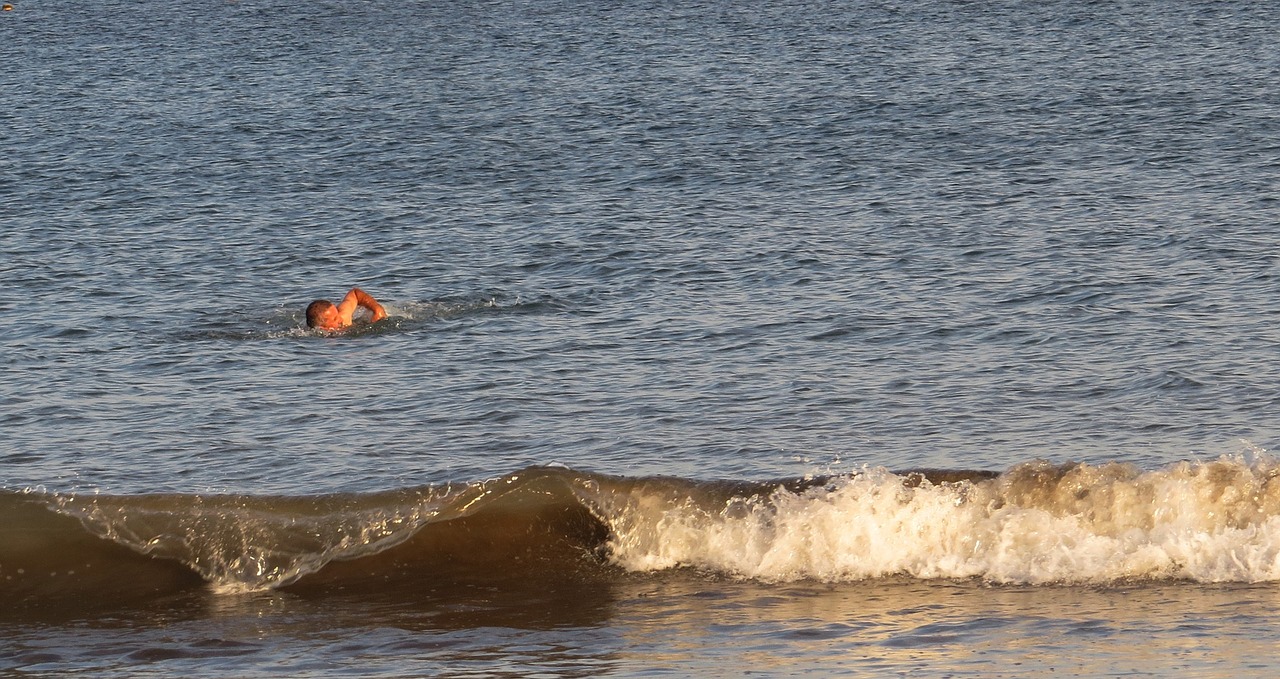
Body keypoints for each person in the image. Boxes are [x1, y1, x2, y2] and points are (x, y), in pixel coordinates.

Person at [305, 287, 387, 331]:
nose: (340, 318)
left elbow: (355, 293)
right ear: (323, 328)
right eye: (335, 319)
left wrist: (377, 308)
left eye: (337, 313)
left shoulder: (343, 315)